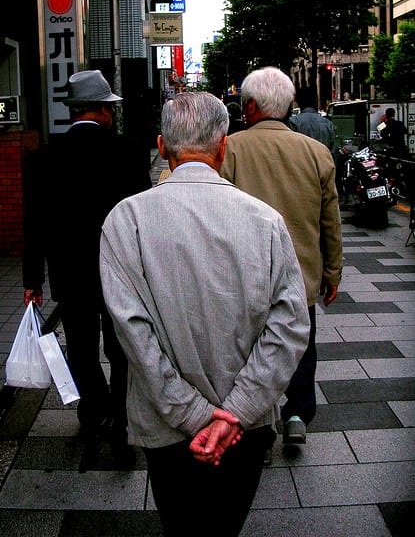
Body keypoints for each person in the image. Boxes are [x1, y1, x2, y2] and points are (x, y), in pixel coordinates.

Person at [99, 91, 310, 536]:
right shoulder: (266, 221)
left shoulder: (125, 220)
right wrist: (236, 411)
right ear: (224, 145)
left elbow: (133, 335)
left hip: (166, 424)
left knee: (180, 525)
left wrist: (194, 414)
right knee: (226, 526)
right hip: (245, 426)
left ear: (162, 147)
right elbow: (290, 325)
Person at [22, 69, 152, 467]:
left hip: (69, 271)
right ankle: (120, 414)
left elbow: (34, 223)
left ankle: (93, 408)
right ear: (104, 111)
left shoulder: (44, 157)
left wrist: (32, 280)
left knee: (79, 346)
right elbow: (144, 216)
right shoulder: (128, 152)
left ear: (73, 111)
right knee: (121, 347)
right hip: (121, 270)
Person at [220, 67, 343, 459]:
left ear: (251, 106)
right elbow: (330, 220)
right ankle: (296, 416)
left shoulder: (230, 148)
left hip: (245, 277)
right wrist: (332, 272)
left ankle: (256, 417)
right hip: (301, 275)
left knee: (250, 349)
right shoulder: (315, 151)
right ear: (289, 104)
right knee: (301, 345)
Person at [289, 87, 337, 160]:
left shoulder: (293, 122)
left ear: (298, 102)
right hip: (323, 167)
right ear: (316, 101)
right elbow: (333, 154)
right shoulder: (328, 124)